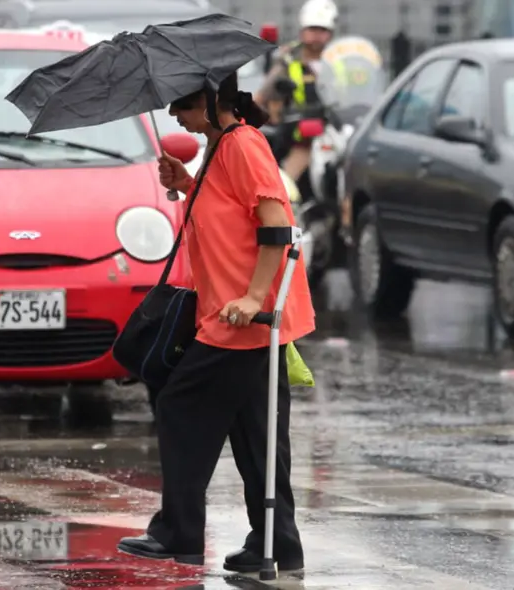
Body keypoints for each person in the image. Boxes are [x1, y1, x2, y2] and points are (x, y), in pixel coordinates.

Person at [116, 72, 316, 574]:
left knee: (180, 406)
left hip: (242, 318)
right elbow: (229, 216)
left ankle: (178, 534)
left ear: (209, 101)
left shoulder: (243, 145)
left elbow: (275, 224)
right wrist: (186, 184)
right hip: (234, 314)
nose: (173, 115)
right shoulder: (222, 145)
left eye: (181, 103)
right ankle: (278, 545)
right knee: (258, 436)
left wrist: (253, 297)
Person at [254, 0, 338, 182]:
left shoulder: (338, 59)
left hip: (335, 131)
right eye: (312, 29)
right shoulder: (288, 58)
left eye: (322, 30)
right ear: (302, 31)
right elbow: (265, 94)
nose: (317, 35)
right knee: (287, 181)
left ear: (330, 34)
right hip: (301, 134)